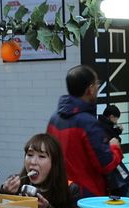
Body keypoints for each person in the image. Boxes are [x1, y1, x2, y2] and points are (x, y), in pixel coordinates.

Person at [47, 65, 123, 198]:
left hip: (61, 192)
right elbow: (106, 164)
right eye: (97, 84)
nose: (98, 88)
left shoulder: (54, 119)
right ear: (90, 89)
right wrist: (114, 147)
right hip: (88, 196)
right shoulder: (88, 123)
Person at [0, 133, 79, 208]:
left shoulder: (70, 190)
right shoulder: (15, 185)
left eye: (42, 156)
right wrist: (3, 192)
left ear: (54, 163)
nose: (33, 162)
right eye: (30, 155)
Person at [98, 105, 129, 197]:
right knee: (125, 178)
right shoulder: (105, 127)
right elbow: (114, 141)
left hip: (109, 160)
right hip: (112, 159)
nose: (116, 121)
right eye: (116, 119)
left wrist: (116, 131)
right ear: (111, 117)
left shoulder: (101, 125)